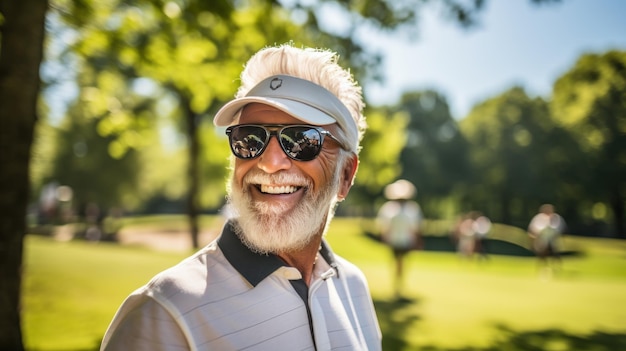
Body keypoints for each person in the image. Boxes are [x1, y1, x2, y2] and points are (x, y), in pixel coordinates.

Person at [100, 43, 381, 351]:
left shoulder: (353, 286)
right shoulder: (162, 313)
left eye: (301, 139)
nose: (270, 162)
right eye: (250, 138)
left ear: (345, 175)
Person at [376, 179, 423, 300]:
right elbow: (385, 226)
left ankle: (399, 286)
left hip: (405, 240)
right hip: (395, 241)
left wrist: (417, 240)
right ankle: (397, 287)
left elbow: (415, 227)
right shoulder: (389, 208)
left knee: (401, 263)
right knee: (397, 262)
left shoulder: (412, 209)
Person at [527, 203, 566, 270]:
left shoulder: (557, 218)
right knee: (542, 253)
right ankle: (542, 267)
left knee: (556, 253)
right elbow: (533, 229)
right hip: (541, 239)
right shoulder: (538, 218)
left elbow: (561, 229)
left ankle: (556, 267)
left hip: (553, 239)